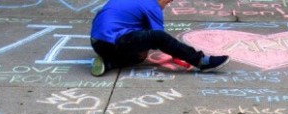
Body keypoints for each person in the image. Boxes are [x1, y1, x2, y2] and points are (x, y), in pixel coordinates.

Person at [89, 0, 229, 76]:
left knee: (139, 56)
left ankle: (108, 63)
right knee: (158, 37)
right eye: (167, 2)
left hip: (97, 42)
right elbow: (160, 38)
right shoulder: (151, 5)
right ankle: (201, 61)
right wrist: (178, 52)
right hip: (116, 40)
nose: (166, 5)